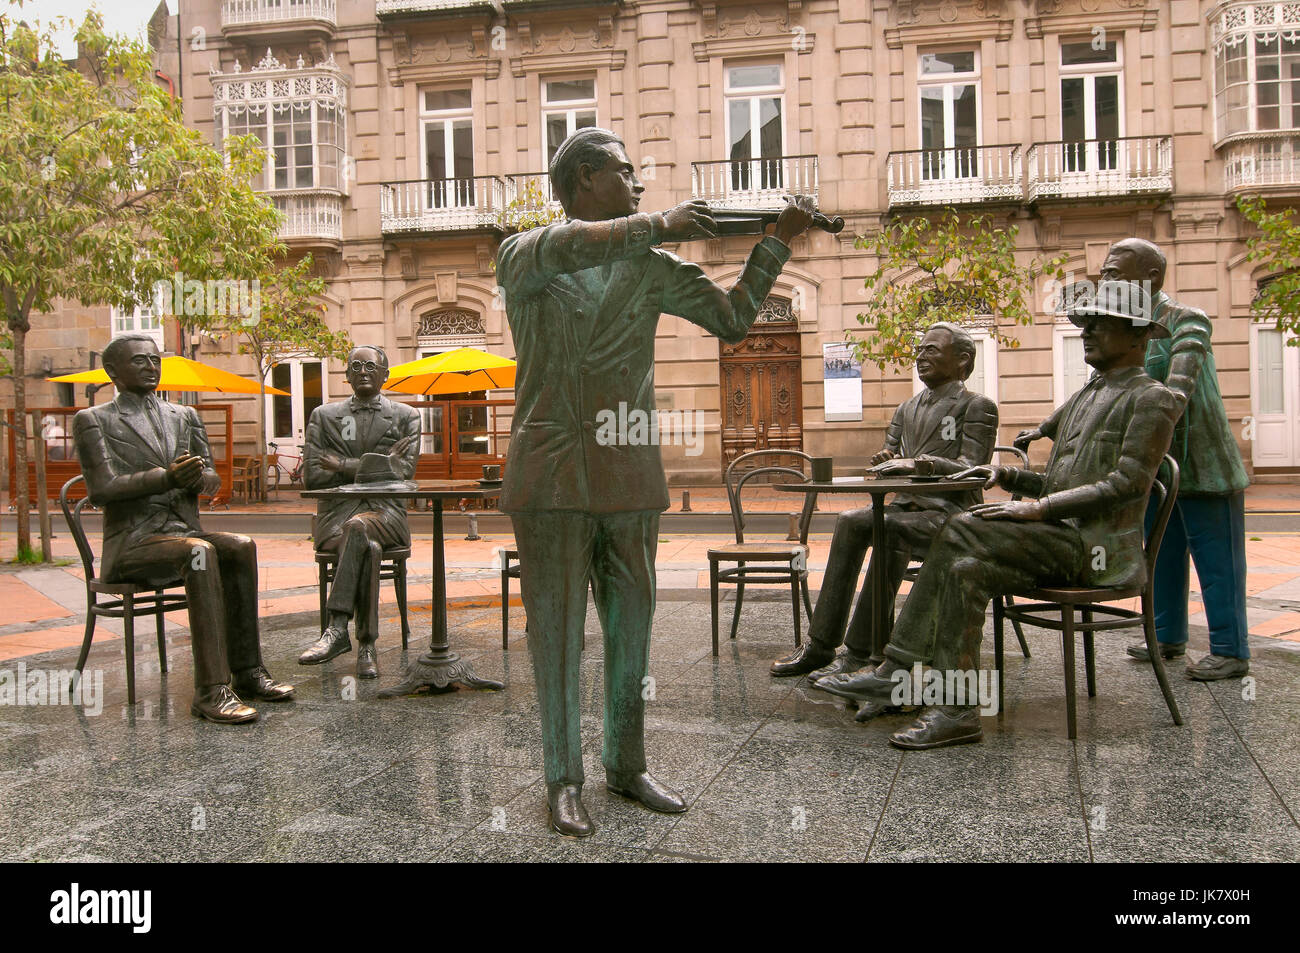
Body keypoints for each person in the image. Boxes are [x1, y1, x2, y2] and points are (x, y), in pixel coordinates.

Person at [496, 126, 815, 837]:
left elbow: (733, 321)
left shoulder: (653, 265)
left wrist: (779, 241)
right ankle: (561, 778)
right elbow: (572, 244)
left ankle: (627, 761)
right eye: (625, 173)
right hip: (549, 474)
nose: (639, 185)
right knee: (554, 634)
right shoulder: (525, 255)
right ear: (583, 179)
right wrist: (658, 223)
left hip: (629, 471)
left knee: (632, 629)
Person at [840, 281, 1180, 749]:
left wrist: (1039, 510)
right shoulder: (1086, 396)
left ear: (1140, 335)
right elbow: (1061, 482)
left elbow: (1127, 486)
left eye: (1101, 324)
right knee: (966, 569)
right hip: (1060, 535)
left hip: (1097, 550)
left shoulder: (1153, 399)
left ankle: (897, 670)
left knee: (961, 528)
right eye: (1085, 324)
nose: (1087, 332)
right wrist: (1006, 475)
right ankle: (956, 710)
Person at [1021, 239, 1251, 681]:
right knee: (1160, 553)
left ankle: (1230, 648)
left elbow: (1177, 391)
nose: (1104, 281)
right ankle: (1166, 636)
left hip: (1204, 463)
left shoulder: (1187, 320)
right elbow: (1099, 385)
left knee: (1217, 560)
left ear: (1150, 279)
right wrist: (1047, 427)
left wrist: (1143, 415)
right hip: (1155, 463)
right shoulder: (1119, 324)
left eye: (1113, 273)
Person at [72, 334, 294, 723]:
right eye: (139, 360)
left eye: (155, 360)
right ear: (112, 371)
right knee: (200, 552)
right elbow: (102, 490)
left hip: (182, 530)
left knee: (240, 545)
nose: (150, 367)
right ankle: (211, 691)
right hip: (133, 545)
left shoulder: (184, 416)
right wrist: (166, 478)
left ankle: (248, 672)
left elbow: (211, 481)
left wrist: (197, 479)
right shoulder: (94, 420)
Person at [771, 322, 998, 683]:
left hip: (950, 517)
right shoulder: (906, 407)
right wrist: (885, 459)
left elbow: (973, 470)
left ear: (963, 360)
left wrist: (919, 463)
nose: (921, 356)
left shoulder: (977, 406)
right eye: (920, 349)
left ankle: (860, 652)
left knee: (886, 530)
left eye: (932, 350)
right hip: (904, 509)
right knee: (851, 520)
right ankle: (821, 645)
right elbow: (889, 452)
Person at [299, 346, 421, 679]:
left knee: (362, 529)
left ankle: (336, 629)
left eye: (371, 365)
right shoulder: (323, 416)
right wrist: (379, 464)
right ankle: (366, 646)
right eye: (357, 366)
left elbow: (404, 472)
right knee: (367, 545)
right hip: (336, 519)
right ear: (347, 375)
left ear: (386, 374)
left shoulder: (407, 416)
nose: (364, 371)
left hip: (387, 515)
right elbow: (312, 476)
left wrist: (342, 464)